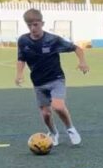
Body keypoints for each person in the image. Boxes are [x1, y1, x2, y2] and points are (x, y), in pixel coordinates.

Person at [15, 8, 88, 146]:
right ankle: (53, 133)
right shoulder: (23, 40)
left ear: (42, 23)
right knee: (46, 114)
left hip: (56, 79)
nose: (32, 28)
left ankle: (70, 129)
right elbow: (21, 58)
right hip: (38, 82)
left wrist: (82, 62)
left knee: (58, 106)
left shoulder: (53, 40)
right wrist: (19, 74)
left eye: (35, 24)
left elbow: (77, 48)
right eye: (29, 25)